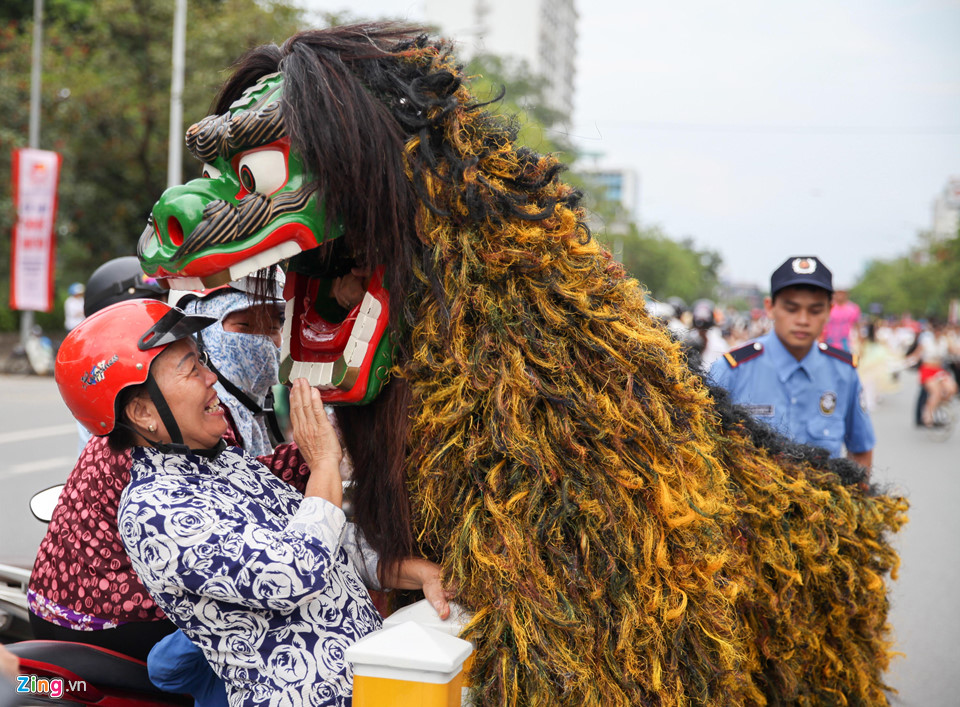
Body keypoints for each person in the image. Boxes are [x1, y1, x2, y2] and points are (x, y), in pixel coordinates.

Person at [54, 299, 451, 706]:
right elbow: (295, 571)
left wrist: (409, 571)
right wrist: (325, 465)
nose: (211, 378)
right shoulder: (154, 512)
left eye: (203, 360)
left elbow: (326, 538)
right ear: (142, 412)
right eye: (191, 369)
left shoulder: (226, 460)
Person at [29, 275, 293, 661]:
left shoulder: (176, 423)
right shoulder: (155, 463)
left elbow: (257, 477)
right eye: (245, 327)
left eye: (274, 325)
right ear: (141, 412)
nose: (211, 377)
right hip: (102, 621)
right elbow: (281, 563)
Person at [709, 256, 875, 470]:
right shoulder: (731, 370)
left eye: (815, 310)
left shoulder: (843, 372)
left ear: (829, 311)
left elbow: (861, 450)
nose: (803, 320)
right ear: (770, 307)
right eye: (791, 308)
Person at [821, 287, 861, 352]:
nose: (840, 295)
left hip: (845, 343)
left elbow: (857, 325)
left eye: (842, 293)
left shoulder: (853, 308)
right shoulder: (828, 307)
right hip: (828, 341)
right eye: (838, 293)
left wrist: (860, 342)